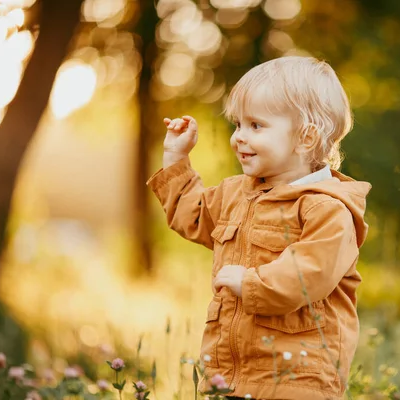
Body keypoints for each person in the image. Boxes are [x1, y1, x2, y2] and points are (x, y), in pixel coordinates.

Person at [147, 56, 371, 400]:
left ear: (306, 137)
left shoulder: (326, 208)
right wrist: (176, 160)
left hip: (297, 380)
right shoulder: (235, 193)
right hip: (229, 376)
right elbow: (192, 216)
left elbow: (309, 273)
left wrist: (249, 283)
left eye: (256, 126)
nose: (238, 137)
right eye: (238, 124)